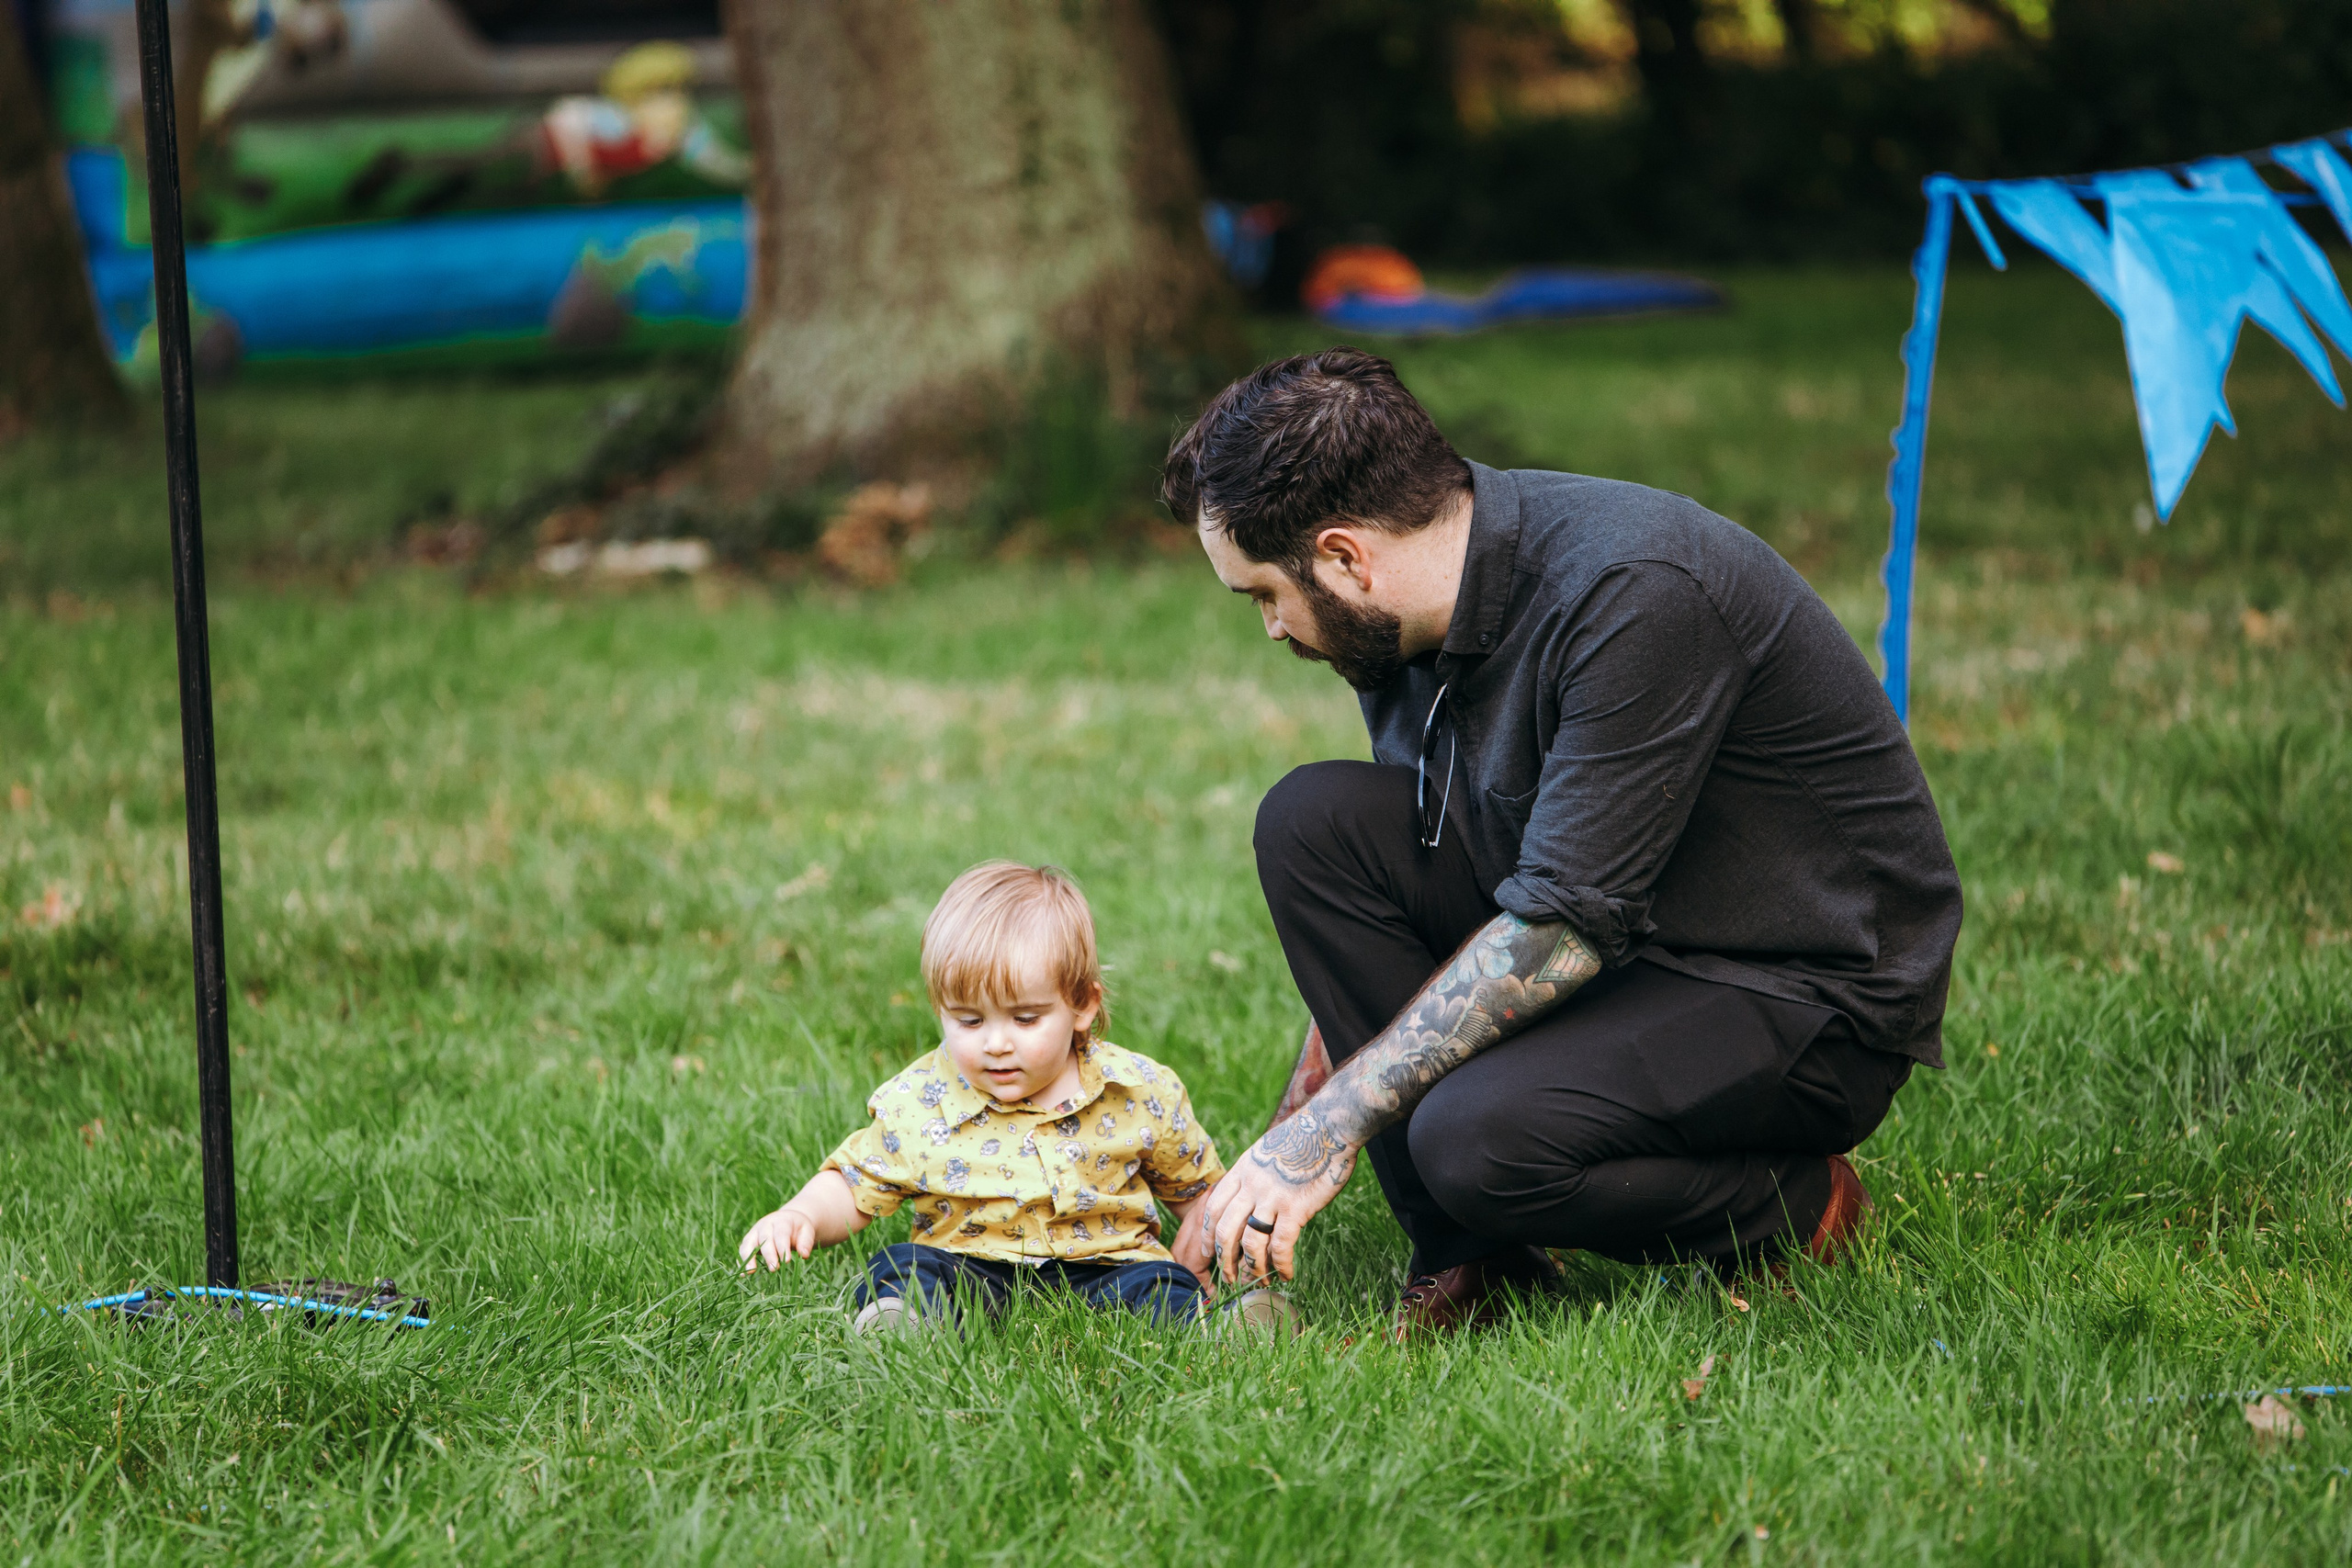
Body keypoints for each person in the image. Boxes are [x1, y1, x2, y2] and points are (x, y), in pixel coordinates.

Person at [1162, 348, 1963, 1338]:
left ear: (1344, 558)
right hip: (1611, 934)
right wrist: (1276, 1149)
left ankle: (1790, 1206)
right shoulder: (1397, 628)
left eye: (1263, 595)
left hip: (1797, 991)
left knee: (1476, 1140)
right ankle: (1473, 1258)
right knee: (1313, 820)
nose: (1274, 630)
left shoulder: (1634, 589)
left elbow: (1559, 932)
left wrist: (1329, 1132)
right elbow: (1406, 912)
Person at [739, 862, 1226, 1332]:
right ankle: (905, 1325)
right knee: (901, 1265)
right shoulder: (921, 1101)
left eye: (1025, 1019)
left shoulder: (1138, 1090)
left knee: (1163, 1284)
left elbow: (1197, 1190)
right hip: (970, 1270)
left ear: (1082, 1005)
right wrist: (800, 1215)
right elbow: (854, 1185)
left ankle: (1217, 1327)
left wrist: (1228, 1243)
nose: (996, 1043)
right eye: (969, 1021)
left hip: (1107, 1270)